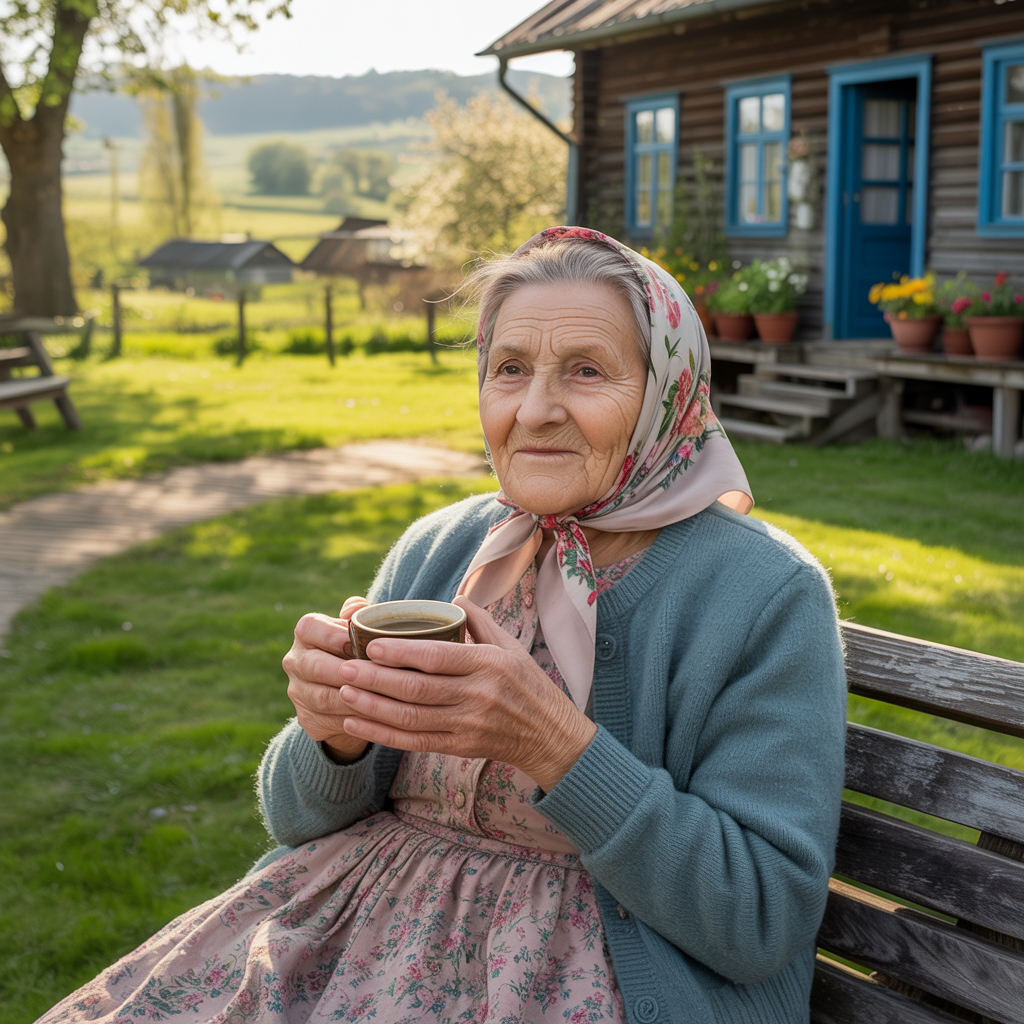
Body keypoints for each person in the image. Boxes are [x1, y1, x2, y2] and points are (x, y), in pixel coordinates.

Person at [38, 227, 847, 1024]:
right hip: (348, 933)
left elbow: (761, 921)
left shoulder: (764, 593)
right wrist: (331, 735)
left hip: (587, 969)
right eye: (510, 370)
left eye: (587, 372)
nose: (534, 411)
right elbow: (297, 821)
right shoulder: (447, 546)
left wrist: (555, 745)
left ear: (667, 390)